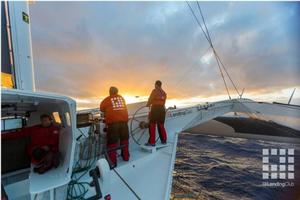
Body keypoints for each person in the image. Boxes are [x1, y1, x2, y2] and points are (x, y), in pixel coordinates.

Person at [100, 86, 130, 167]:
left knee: (112, 143)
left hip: (113, 125)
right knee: (124, 140)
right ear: (117, 92)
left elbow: (101, 108)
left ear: (110, 92)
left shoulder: (107, 99)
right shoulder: (122, 98)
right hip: (124, 123)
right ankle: (126, 157)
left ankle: (113, 162)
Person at [146, 80, 167, 146]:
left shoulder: (154, 91)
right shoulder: (164, 93)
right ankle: (164, 140)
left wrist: (148, 104)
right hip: (162, 110)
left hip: (155, 109)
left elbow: (150, 99)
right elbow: (163, 103)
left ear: (156, 85)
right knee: (161, 125)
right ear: (161, 85)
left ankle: (152, 142)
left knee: (152, 125)